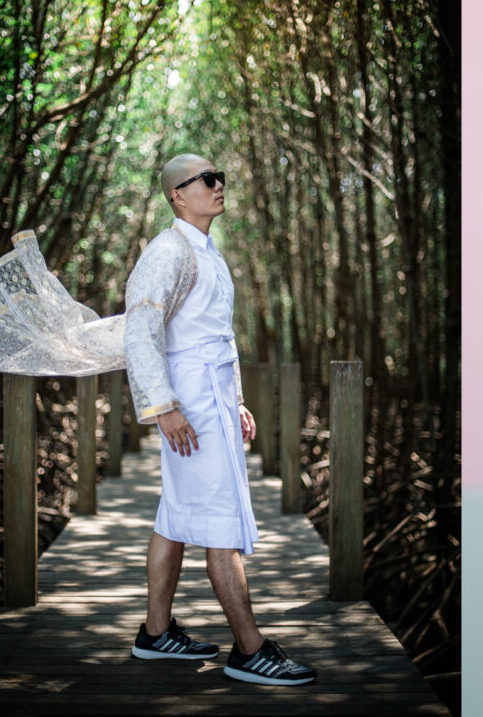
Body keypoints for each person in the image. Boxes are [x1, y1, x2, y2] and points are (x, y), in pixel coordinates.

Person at [124, 153, 315, 686]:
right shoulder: (166, 252)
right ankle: (250, 650)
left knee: (176, 514)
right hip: (187, 403)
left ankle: (156, 634)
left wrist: (234, 401)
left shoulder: (205, 250)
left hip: (210, 398)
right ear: (177, 196)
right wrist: (163, 407)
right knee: (218, 521)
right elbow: (141, 331)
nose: (218, 185)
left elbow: (212, 337)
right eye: (205, 179)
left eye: (220, 177)